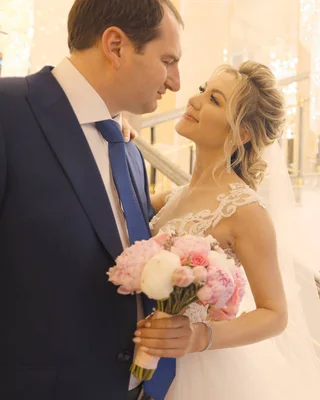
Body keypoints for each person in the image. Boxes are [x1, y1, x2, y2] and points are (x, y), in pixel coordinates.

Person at [0, 1, 183, 399]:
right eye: (167, 60)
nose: (176, 82)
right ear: (115, 46)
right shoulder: (7, 111)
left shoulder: (131, 152)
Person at [134, 61, 320, 399]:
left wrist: (200, 336)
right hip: (146, 355)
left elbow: (274, 314)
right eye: (203, 89)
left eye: (214, 100)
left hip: (200, 373)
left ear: (241, 134)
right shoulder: (173, 197)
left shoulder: (246, 211)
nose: (194, 100)